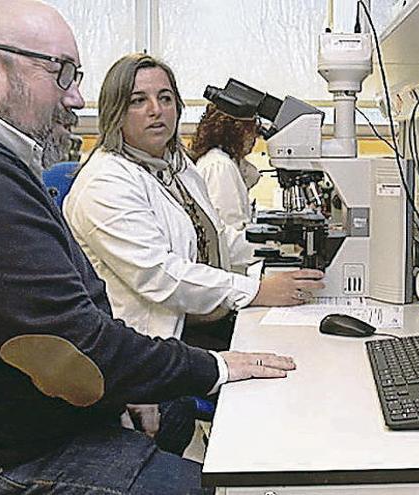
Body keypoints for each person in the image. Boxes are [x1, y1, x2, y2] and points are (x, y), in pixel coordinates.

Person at [0, 1, 295, 493]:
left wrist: (120, 381)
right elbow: (71, 342)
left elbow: (65, 317)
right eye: (62, 74)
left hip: (38, 426)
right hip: (2, 462)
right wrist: (217, 366)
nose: (77, 98)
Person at [63, 54, 325, 452]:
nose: (156, 111)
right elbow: (160, 275)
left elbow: (215, 237)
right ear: (115, 111)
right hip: (152, 344)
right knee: (269, 393)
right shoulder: (106, 183)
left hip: (196, 320)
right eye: (139, 100)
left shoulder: (175, 166)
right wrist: (255, 290)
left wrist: (272, 256)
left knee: (298, 360)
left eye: (165, 98)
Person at [190, 103, 262, 234]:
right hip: (232, 250)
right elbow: (231, 228)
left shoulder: (220, 160)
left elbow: (250, 176)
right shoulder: (220, 166)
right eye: (249, 131)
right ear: (234, 131)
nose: (254, 138)